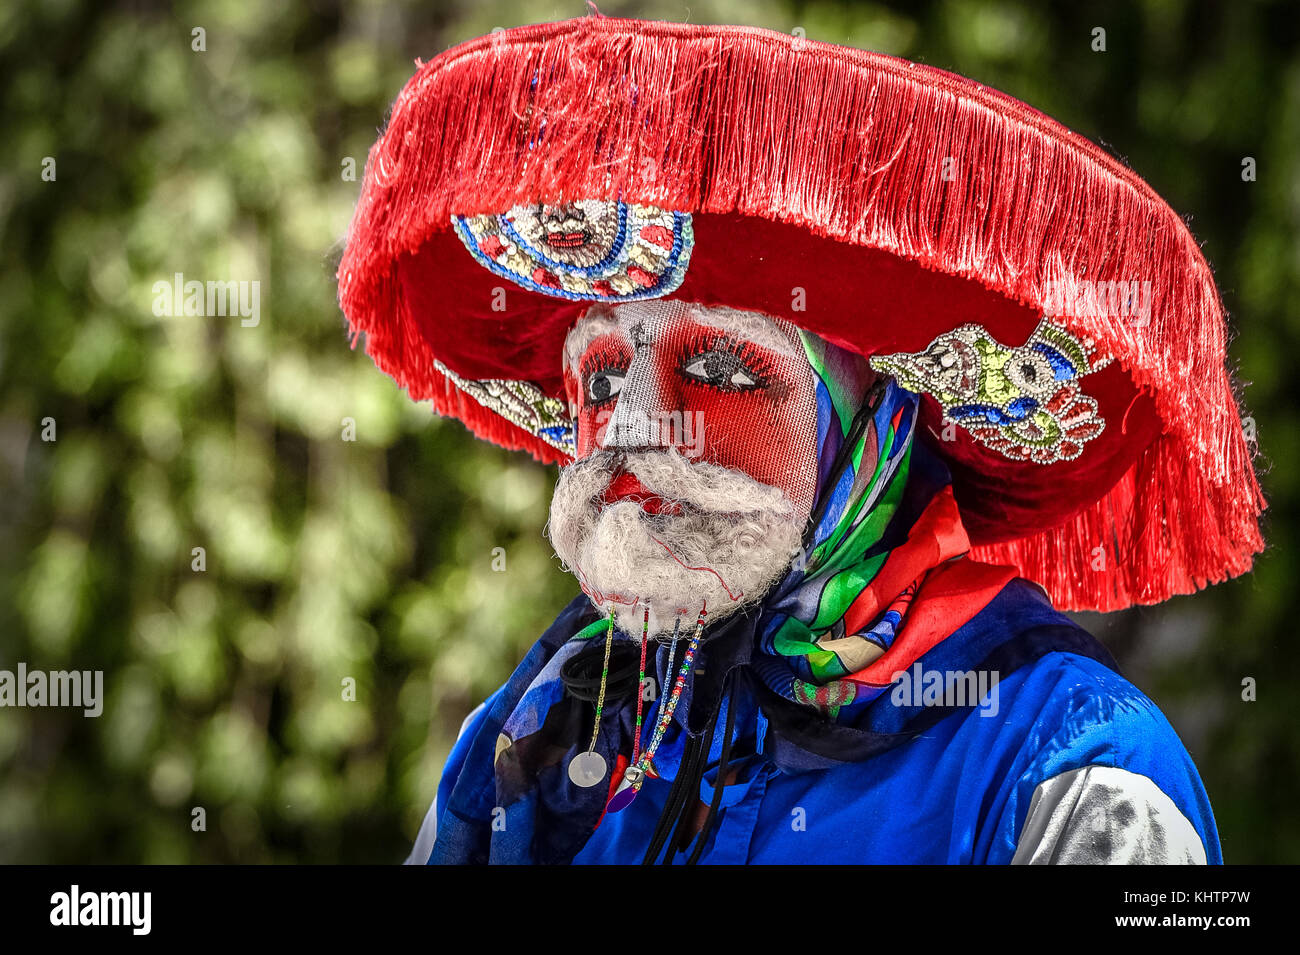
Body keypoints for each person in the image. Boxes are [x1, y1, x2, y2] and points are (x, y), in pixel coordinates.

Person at [336, 16, 1265, 864]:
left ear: (881, 428)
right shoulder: (551, 727)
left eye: (728, 370)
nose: (632, 426)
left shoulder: (1072, 760)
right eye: (607, 376)